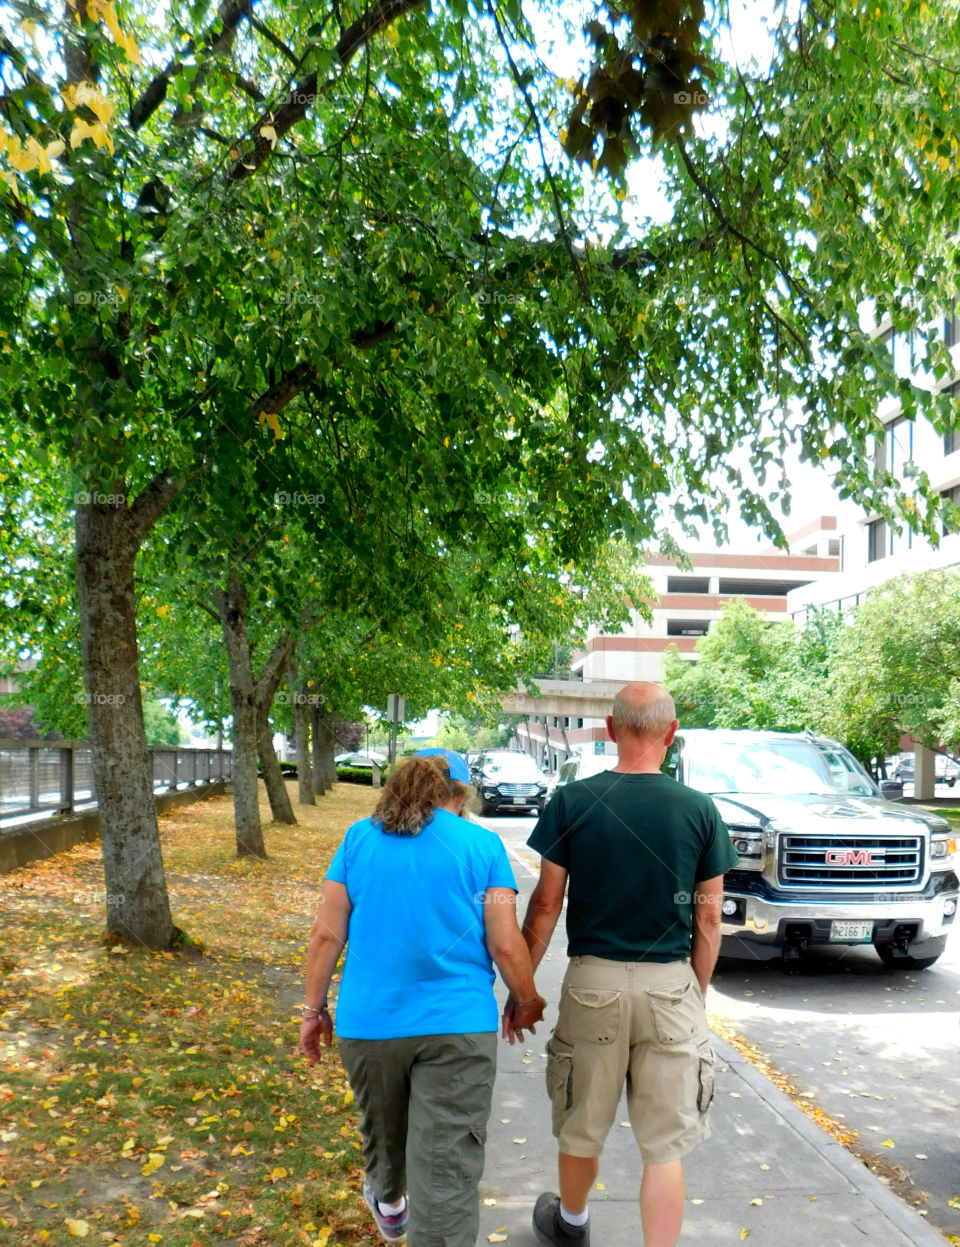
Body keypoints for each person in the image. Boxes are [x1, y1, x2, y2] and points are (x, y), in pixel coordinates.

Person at [504, 683, 738, 1247]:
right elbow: (709, 921)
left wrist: (522, 989)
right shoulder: (699, 809)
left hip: (592, 984)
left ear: (610, 730)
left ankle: (573, 1225)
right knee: (665, 1144)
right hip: (670, 986)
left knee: (581, 1125)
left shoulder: (571, 801)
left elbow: (544, 905)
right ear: (671, 734)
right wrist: (692, 993)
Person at [299, 747, 546, 1247]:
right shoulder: (483, 845)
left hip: (370, 1025)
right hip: (458, 1027)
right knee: (447, 1167)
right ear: (458, 795)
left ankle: (389, 1203)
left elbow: (327, 935)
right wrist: (526, 998)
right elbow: (503, 940)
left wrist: (312, 1010)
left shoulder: (357, 840)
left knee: (384, 1137)